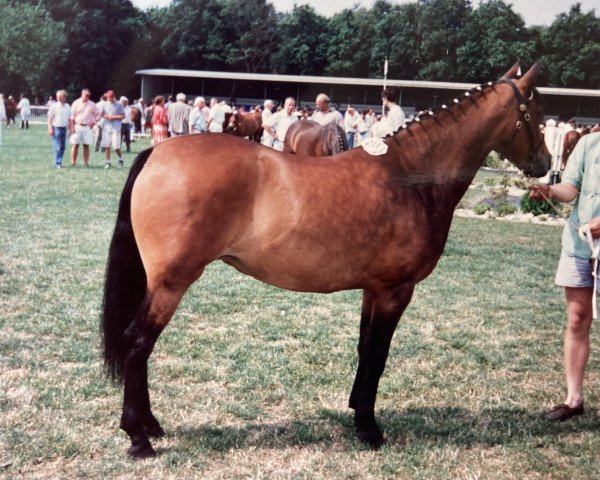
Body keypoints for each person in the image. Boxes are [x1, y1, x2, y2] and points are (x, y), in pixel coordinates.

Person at [529, 130, 600, 422]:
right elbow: (571, 187)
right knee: (576, 319)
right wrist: (550, 190)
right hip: (578, 245)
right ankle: (573, 399)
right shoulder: (589, 143)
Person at [69, 88, 100, 167]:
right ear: (82, 94)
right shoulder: (76, 103)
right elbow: (71, 116)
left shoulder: (92, 104)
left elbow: (98, 114)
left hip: (87, 127)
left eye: (89, 95)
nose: (87, 97)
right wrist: (72, 128)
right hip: (77, 126)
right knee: (75, 145)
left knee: (86, 145)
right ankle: (73, 162)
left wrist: (94, 122)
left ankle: (86, 163)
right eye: (86, 95)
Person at [98, 90, 125, 168]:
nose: (109, 100)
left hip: (116, 127)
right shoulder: (104, 104)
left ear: (114, 97)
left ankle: (121, 159)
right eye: (108, 98)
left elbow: (123, 116)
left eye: (111, 98)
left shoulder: (119, 105)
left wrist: (113, 117)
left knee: (116, 146)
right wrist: (105, 116)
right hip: (107, 127)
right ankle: (108, 162)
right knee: (107, 145)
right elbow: (102, 114)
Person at [47, 89, 72, 169]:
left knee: (63, 147)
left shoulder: (68, 106)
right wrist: (50, 129)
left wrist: (71, 129)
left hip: (64, 128)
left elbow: (70, 118)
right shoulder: (54, 106)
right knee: (58, 146)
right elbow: (50, 118)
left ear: (65, 97)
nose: (58, 99)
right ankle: (57, 163)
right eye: (58, 97)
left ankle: (59, 162)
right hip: (56, 128)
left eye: (60, 97)